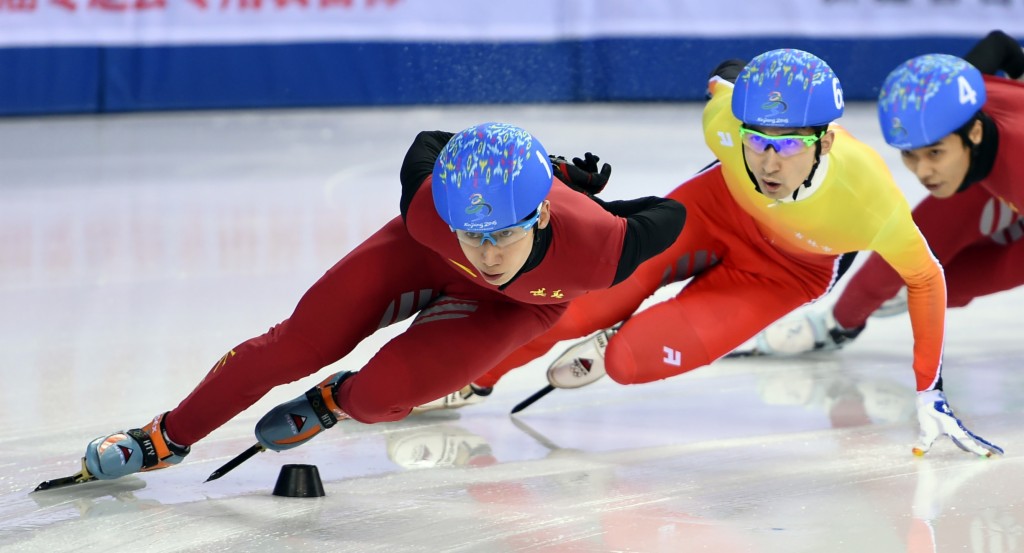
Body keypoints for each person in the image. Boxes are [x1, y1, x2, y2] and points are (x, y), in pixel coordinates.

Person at [428, 49, 1003, 458]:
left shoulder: (870, 198)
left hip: (787, 269)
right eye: (758, 142)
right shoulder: (725, 123)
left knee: (630, 360)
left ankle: (616, 344)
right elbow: (724, 80)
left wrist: (930, 389)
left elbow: (927, 280)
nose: (770, 164)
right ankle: (472, 376)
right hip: (711, 209)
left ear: (825, 141)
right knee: (575, 309)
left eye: (788, 146)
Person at [77, 122, 686, 481]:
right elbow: (430, 140)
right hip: (417, 256)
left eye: (505, 233)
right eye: (473, 234)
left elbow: (671, 213)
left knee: (377, 400)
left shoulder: (603, 247)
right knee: (291, 347)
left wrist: (571, 186)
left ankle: (334, 399)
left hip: (516, 307)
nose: (487, 254)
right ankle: (164, 438)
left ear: (543, 211)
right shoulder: (427, 209)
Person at [737, 31, 1024, 361]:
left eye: (934, 153)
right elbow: (1000, 45)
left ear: (973, 133)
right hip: (991, 166)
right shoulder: (958, 94)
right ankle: (835, 323)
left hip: (1008, 166)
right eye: (910, 155)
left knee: (949, 285)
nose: (923, 172)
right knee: (916, 255)